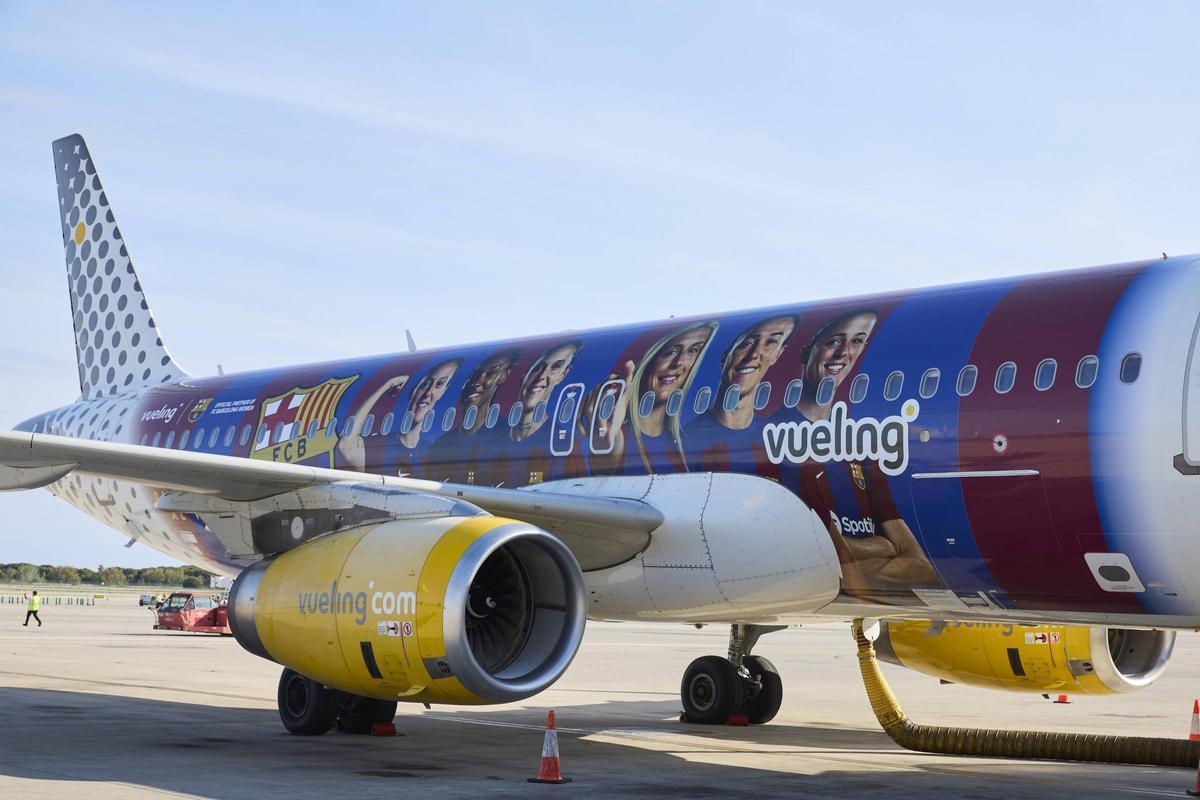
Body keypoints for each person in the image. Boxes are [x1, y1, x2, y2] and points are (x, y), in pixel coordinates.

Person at [773, 309, 940, 599]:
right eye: (834, 341)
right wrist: (883, 548)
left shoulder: (861, 454)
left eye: (857, 342)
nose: (843, 352)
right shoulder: (776, 443)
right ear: (807, 351)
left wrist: (846, 556)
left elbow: (923, 569)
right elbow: (802, 555)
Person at [584, 321, 717, 475]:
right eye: (671, 352)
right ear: (649, 359)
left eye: (693, 350)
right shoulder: (622, 439)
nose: (679, 362)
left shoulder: (685, 444)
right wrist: (606, 452)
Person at [685, 314, 796, 472]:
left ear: (777, 355)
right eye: (746, 343)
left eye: (770, 342)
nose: (754, 354)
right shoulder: (687, 440)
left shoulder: (773, 440)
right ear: (725, 358)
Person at [488, 340, 583, 486]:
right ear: (524, 374)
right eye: (537, 367)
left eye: (555, 367)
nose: (541, 376)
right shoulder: (491, 438)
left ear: (563, 374)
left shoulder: (564, 445)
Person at [426, 347, 522, 483]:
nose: (476, 382)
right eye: (473, 375)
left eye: (491, 373)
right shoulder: (442, 444)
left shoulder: (509, 437)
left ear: (503, 377)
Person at [381, 358, 461, 477]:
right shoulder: (383, 443)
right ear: (414, 390)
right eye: (424, 385)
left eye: (439, 385)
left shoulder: (429, 450)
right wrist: (387, 385)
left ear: (443, 391)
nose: (428, 393)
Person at [335, 374, 409, 471]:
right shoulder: (387, 445)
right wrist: (388, 385)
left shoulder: (426, 447)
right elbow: (346, 446)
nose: (427, 395)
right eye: (424, 386)